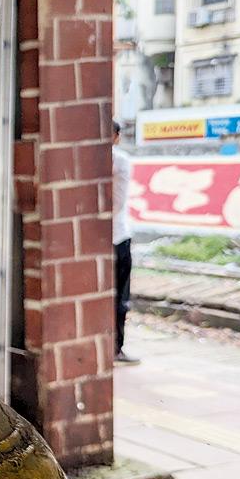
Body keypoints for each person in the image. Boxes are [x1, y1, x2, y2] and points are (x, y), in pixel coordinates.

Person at [113, 121, 140, 365]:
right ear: (117, 137)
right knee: (120, 298)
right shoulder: (120, 160)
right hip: (117, 238)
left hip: (102, 239)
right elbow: (118, 204)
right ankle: (116, 348)